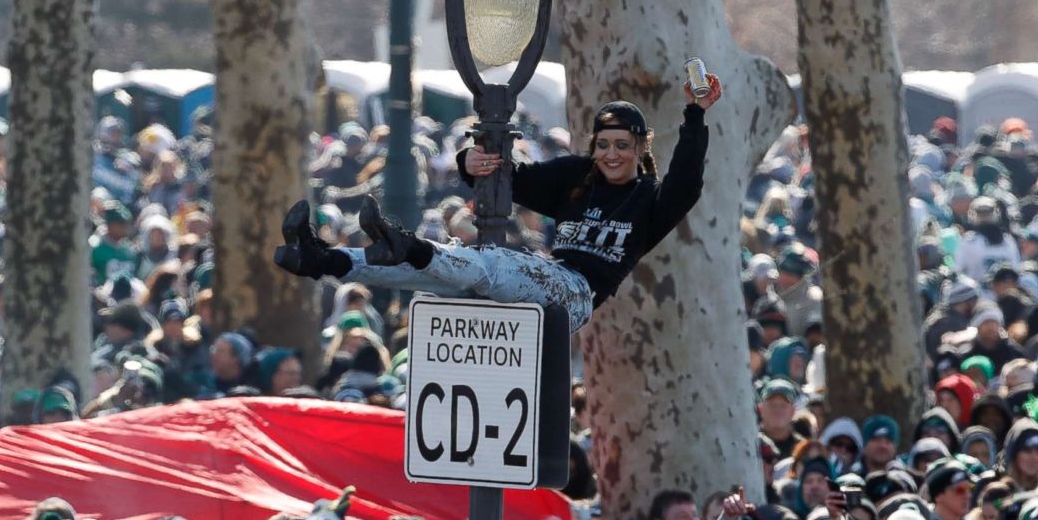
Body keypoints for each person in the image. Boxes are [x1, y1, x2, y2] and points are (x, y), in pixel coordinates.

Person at [277, 78, 721, 333]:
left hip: (574, 297)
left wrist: (695, 114)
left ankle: (410, 244)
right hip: (536, 281)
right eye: (603, 144)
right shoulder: (575, 175)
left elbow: (686, 182)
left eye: (622, 145)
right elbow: (507, 180)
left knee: (489, 262)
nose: (610, 154)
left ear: (640, 146)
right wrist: (468, 162)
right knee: (427, 275)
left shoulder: (650, 199)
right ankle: (322, 259)